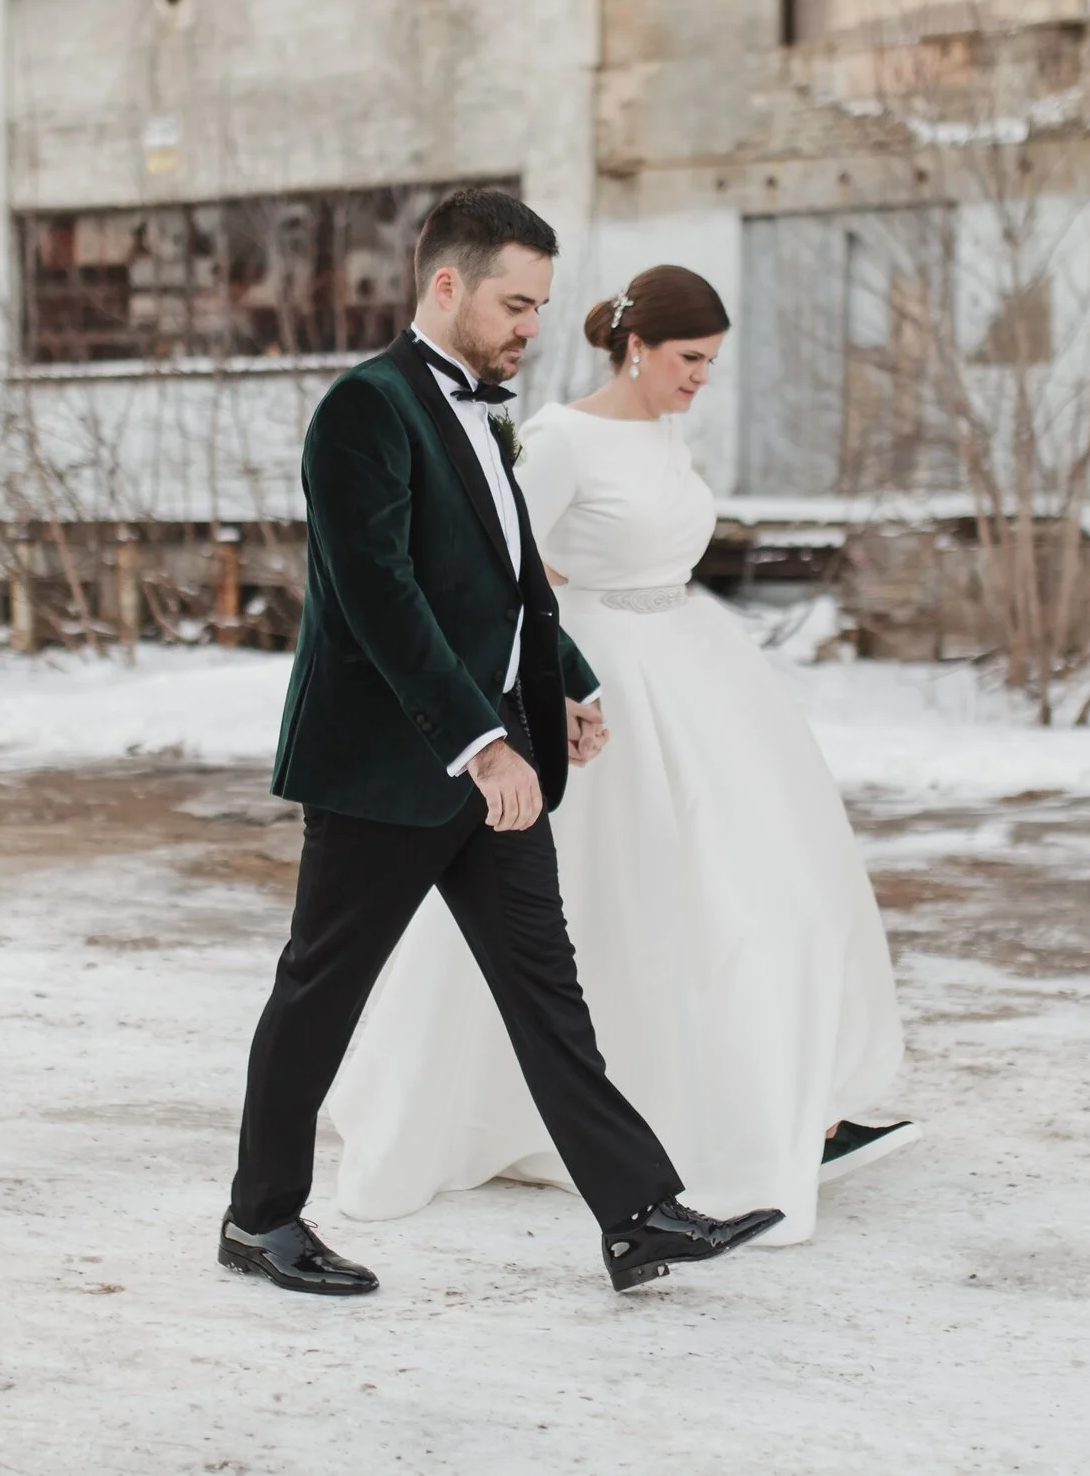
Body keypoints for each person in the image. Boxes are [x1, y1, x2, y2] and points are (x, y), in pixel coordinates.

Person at [222, 194, 783, 1297]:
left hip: (499, 756)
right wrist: (482, 743)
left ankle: (637, 1211)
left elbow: (510, 577)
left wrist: (562, 679)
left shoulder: (488, 414)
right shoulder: (362, 410)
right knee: (320, 990)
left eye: (540, 303)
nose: (531, 323)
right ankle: (259, 1218)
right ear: (447, 286)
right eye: (513, 302)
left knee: (545, 988)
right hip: (388, 768)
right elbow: (381, 599)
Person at [330, 264, 915, 1245]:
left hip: (698, 674)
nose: (701, 379)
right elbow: (492, 569)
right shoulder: (560, 438)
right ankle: (608, 1123)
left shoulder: (661, 426)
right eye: (691, 359)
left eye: (712, 364)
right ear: (636, 347)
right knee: (616, 907)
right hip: (601, 688)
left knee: (749, 887)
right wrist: (549, 681)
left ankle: (777, 1101)